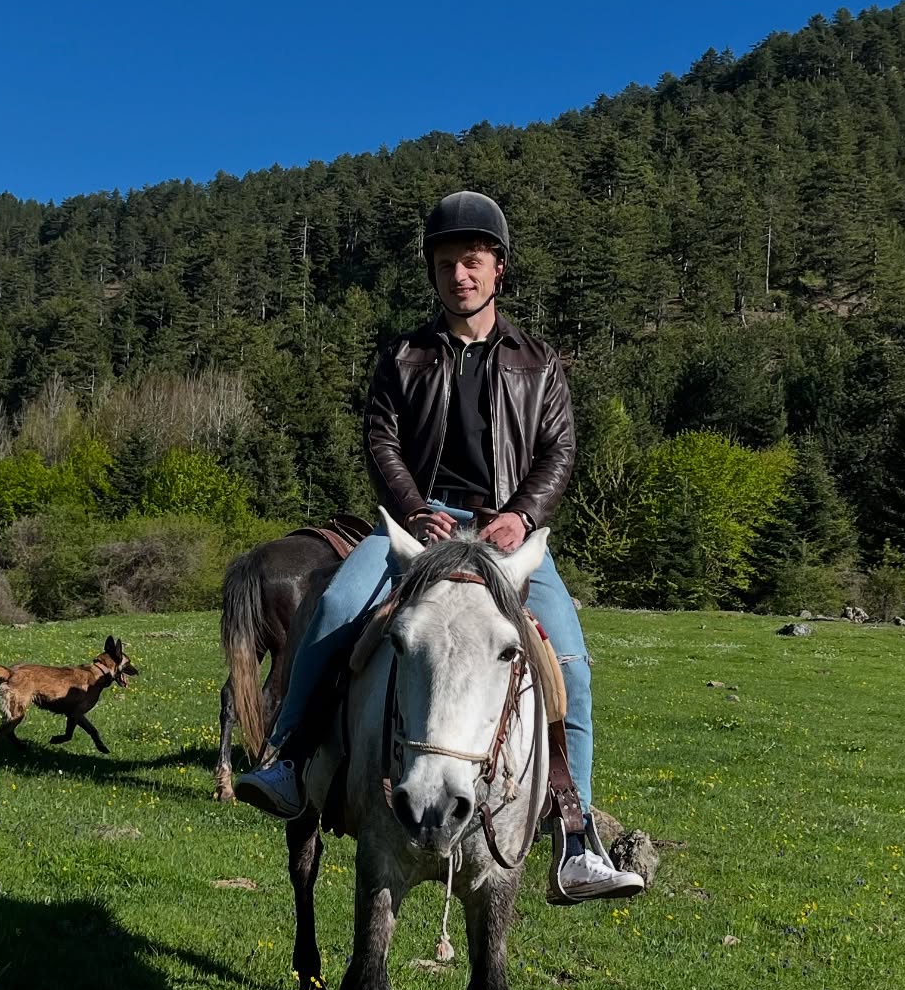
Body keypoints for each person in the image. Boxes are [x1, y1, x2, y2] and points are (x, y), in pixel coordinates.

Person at [235, 190, 643, 901]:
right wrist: (415, 510)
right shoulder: (403, 356)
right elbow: (381, 441)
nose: (460, 274)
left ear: (498, 269)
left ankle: (574, 837)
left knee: (571, 664)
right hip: (418, 522)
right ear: (432, 272)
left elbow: (559, 450)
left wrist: (522, 515)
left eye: (473, 261)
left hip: (504, 530)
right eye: (447, 262)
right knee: (334, 612)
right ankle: (290, 761)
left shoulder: (539, 362)